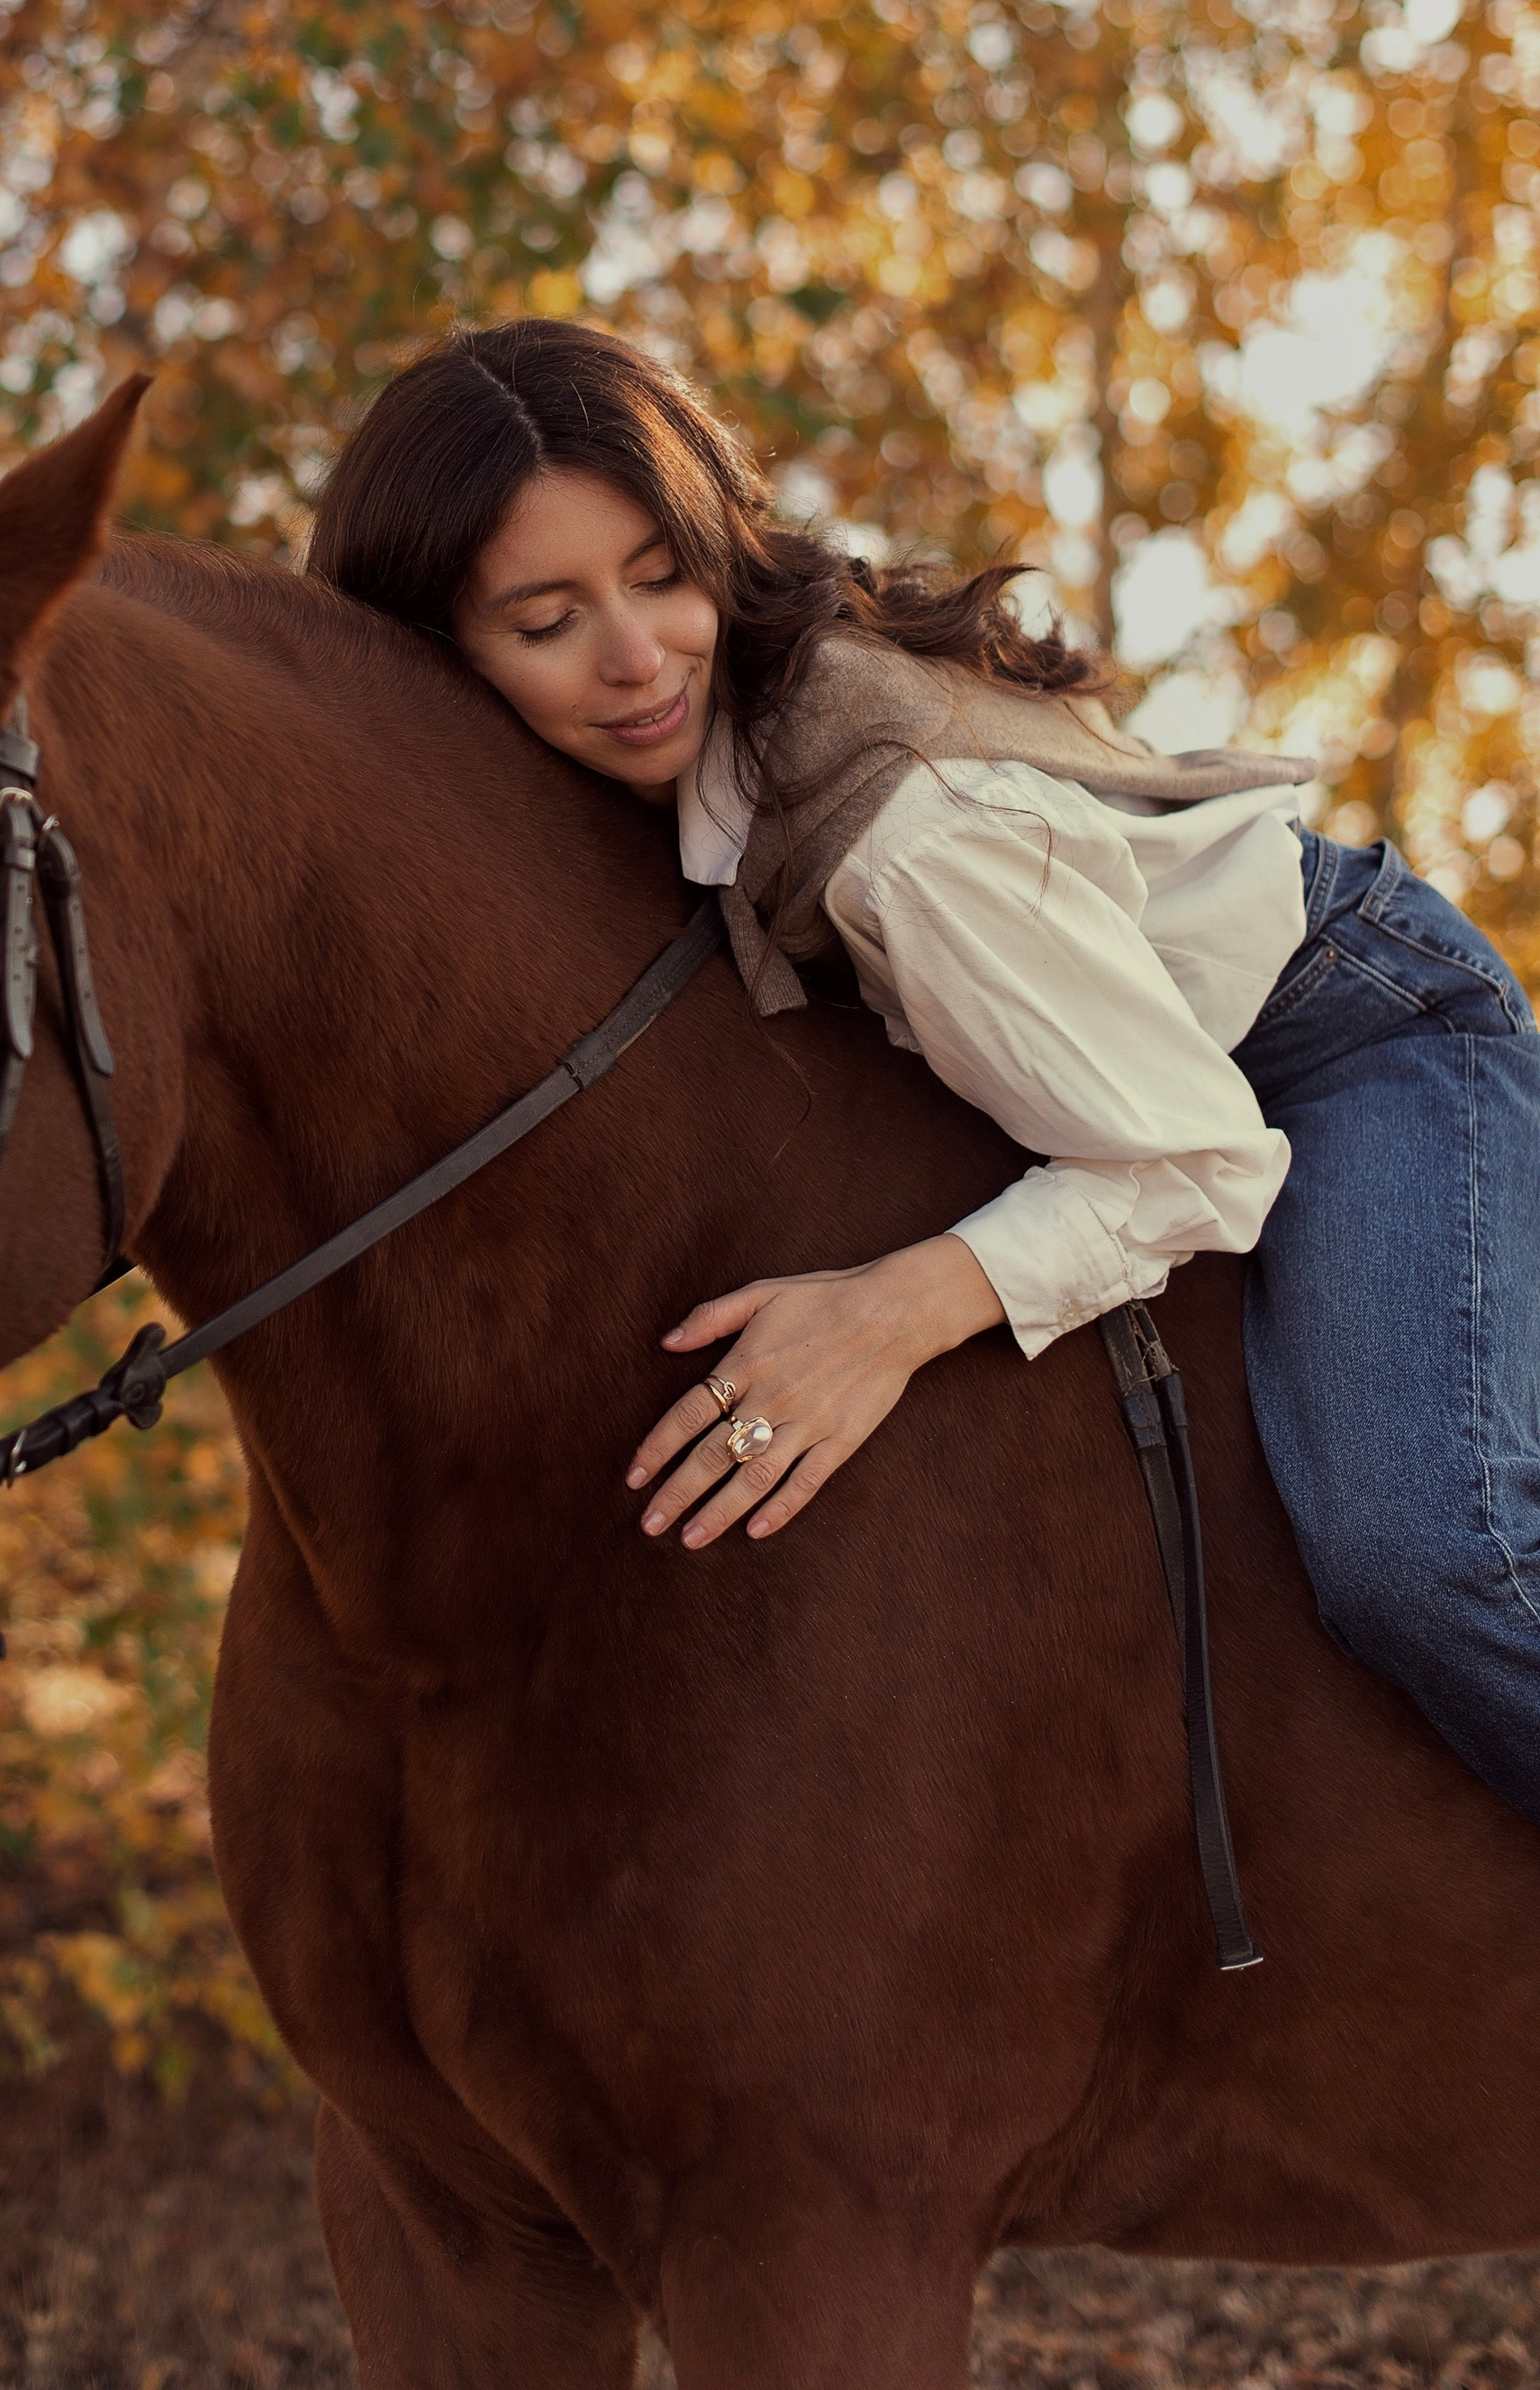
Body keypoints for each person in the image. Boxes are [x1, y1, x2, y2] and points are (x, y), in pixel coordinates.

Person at [308, 318, 1540, 1823]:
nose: (637, 661)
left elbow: (1197, 1160)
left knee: (1422, 1553)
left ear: (719, 543)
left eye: (660, 576)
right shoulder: (626, 781)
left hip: (1339, 1028)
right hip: (1118, 1056)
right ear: (436, 650)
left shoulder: (907, 839)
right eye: (547, 619)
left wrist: (892, 1314)